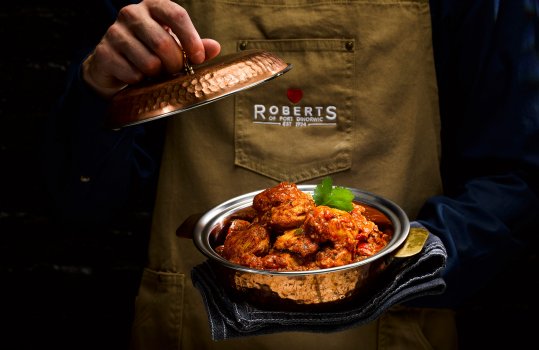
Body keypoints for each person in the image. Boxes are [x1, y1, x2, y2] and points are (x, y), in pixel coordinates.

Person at [44, 0, 539, 349]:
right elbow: (80, 202)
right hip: (191, 328)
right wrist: (99, 93)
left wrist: (401, 268)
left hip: (395, 335)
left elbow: (516, 172)